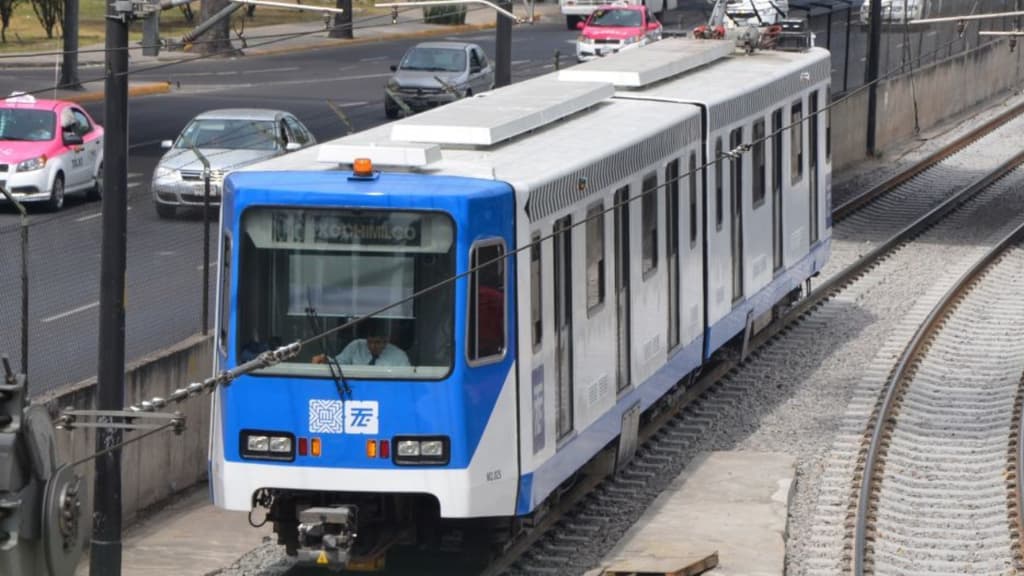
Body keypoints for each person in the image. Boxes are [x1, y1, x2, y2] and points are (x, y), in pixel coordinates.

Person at [313, 318, 410, 367]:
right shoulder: (356, 346)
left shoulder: (399, 356)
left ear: (385, 341)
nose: (372, 346)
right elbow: (339, 364)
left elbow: (406, 380)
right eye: (369, 342)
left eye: (377, 342)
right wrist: (326, 360)